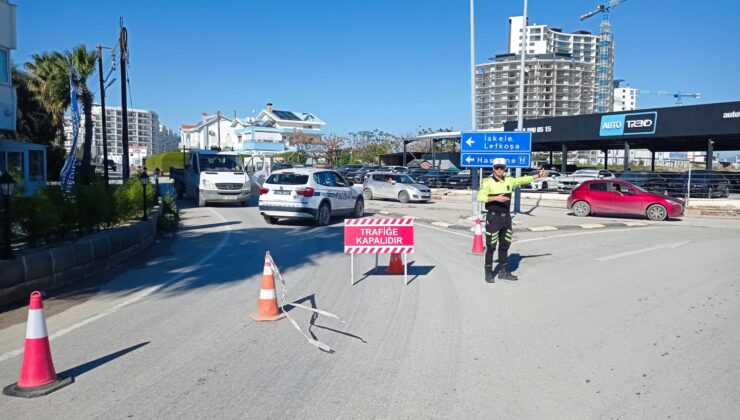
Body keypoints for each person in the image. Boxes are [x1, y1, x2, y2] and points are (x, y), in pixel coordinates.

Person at [477, 158, 549, 283]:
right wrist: (496, 198)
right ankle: (488, 273)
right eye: (497, 167)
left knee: (505, 245)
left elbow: (522, 180)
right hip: (493, 217)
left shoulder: (509, 180)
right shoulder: (487, 182)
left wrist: (538, 175)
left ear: (505, 169)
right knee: (491, 246)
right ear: (493, 168)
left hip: (506, 218)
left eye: (502, 167)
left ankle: (503, 272)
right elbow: (480, 196)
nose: (499, 169)